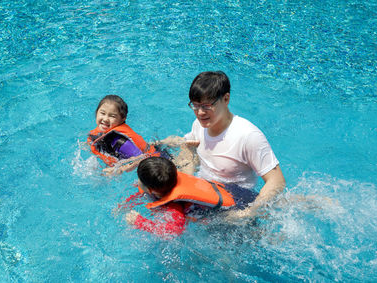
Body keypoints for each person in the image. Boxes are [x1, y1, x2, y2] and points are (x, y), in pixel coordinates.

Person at [163, 71, 286, 222]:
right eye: (195, 105)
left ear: (226, 99)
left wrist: (248, 213)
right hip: (206, 194)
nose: (200, 113)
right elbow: (188, 152)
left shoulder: (248, 136)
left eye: (206, 106)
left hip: (236, 202)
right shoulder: (199, 125)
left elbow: (276, 181)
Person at [123, 157, 256, 237]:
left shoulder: (174, 206)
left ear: (151, 189)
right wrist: (126, 204)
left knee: (255, 233)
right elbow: (144, 193)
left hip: (234, 213)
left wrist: (140, 222)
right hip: (235, 192)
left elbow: (174, 232)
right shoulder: (167, 179)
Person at [88, 95, 157, 173]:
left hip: (155, 161)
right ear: (96, 112)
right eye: (103, 113)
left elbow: (142, 159)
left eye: (112, 116)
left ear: (122, 119)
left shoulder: (120, 142)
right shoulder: (101, 132)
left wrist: (120, 170)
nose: (105, 119)